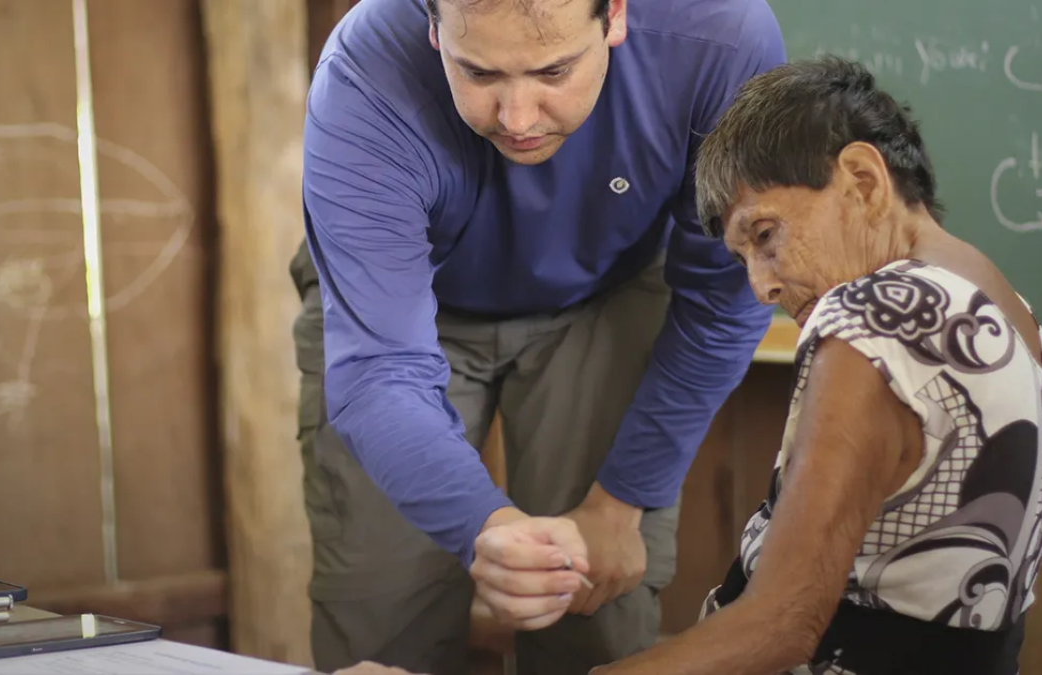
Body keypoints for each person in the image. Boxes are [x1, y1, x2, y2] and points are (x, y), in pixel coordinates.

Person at [290, 0, 787, 672]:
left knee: (594, 615)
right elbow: (379, 369)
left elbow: (724, 298)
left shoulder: (720, 36)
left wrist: (623, 501)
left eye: (553, 71)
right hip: (403, 309)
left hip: (607, 295)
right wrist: (487, 529)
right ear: (434, 25)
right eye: (479, 73)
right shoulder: (362, 72)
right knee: (381, 620)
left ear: (614, 14)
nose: (517, 118)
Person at [584, 56, 1042, 675]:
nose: (761, 286)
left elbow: (780, 627)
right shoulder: (1012, 312)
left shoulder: (875, 315)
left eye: (765, 234)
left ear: (863, 181)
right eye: (742, 259)